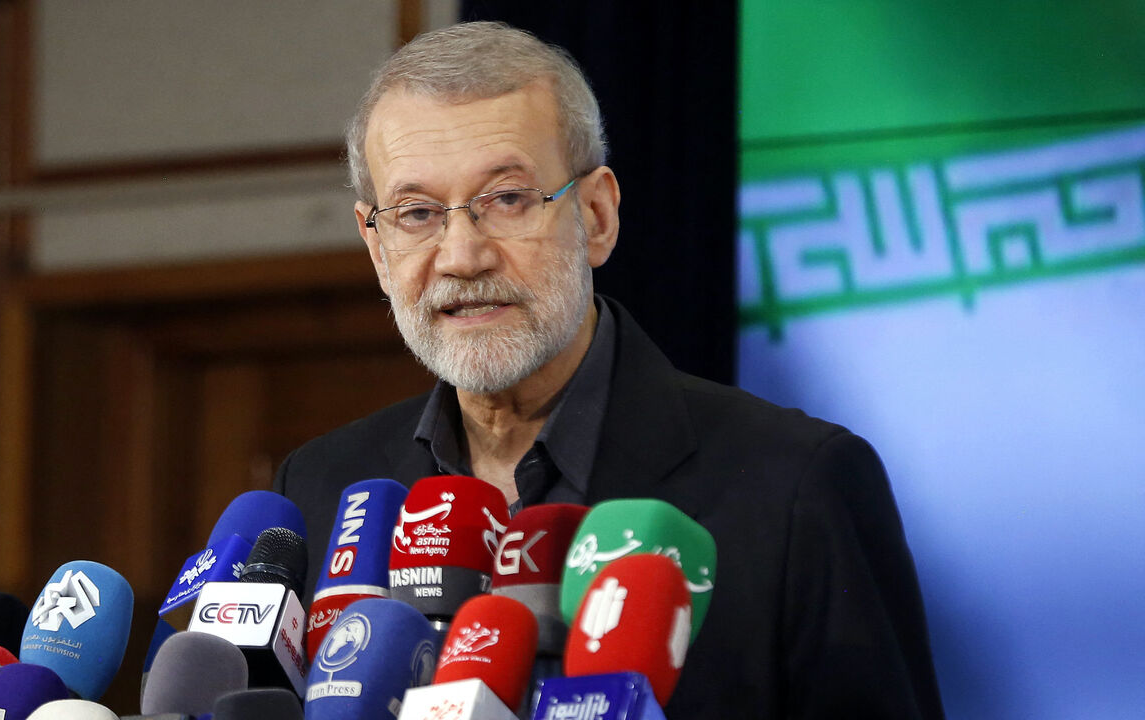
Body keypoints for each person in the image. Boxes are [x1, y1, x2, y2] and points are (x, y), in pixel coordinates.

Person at [274, 21, 943, 718]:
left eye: (507, 199)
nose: (462, 256)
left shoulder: (797, 486)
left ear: (596, 216)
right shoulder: (323, 490)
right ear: (377, 248)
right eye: (417, 213)